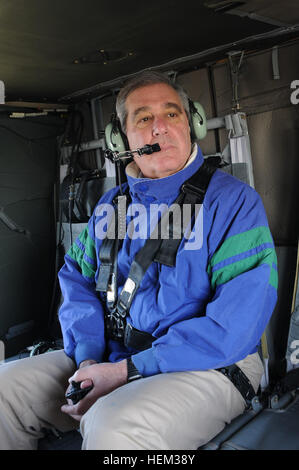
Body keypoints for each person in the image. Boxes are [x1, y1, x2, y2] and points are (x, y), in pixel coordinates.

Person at [0, 71, 277, 450]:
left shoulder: (233, 204)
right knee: (4, 392)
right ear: (121, 137)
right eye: (144, 118)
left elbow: (235, 328)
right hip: (112, 354)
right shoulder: (110, 207)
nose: (159, 128)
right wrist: (87, 361)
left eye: (172, 114)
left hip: (212, 365)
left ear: (192, 123)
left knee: (115, 428)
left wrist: (127, 372)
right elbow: (77, 281)